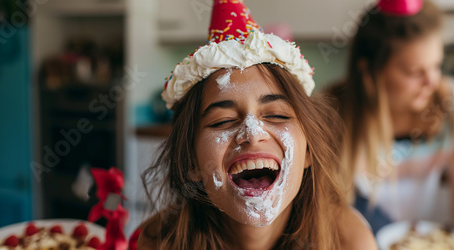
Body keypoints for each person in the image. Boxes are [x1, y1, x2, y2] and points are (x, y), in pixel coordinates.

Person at [137, 1, 377, 249]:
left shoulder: (349, 241)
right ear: (190, 161)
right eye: (224, 121)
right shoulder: (156, 242)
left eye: (277, 116)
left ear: (308, 151)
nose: (252, 133)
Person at [327, 0, 454, 234]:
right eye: (414, 72)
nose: (431, 82)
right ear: (369, 71)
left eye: (436, 66)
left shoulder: (453, 104)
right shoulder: (333, 114)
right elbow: (332, 220)